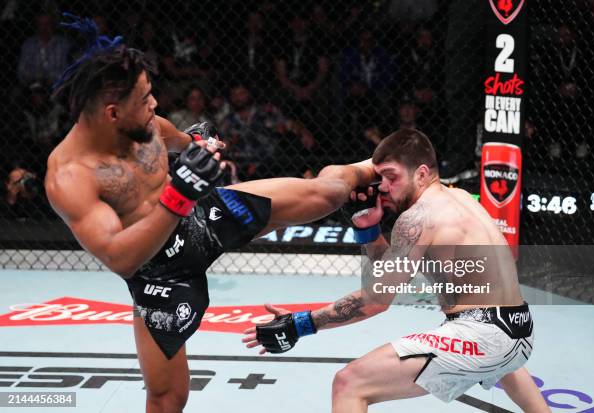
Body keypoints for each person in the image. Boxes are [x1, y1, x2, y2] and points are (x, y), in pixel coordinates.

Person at [45, 16, 376, 413]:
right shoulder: (70, 176)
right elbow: (120, 257)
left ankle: (385, 167)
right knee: (168, 399)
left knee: (327, 194)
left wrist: (200, 144)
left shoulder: (147, 124)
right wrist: (180, 193)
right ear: (112, 113)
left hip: (199, 217)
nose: (154, 105)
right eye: (145, 100)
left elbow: (184, 141)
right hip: (159, 273)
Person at [244, 129, 551, 413]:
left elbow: (375, 301)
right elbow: (388, 276)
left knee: (349, 383)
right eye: (380, 178)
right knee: (501, 361)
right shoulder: (458, 197)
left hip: (484, 334)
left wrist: (301, 324)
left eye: (391, 177)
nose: (385, 188)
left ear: (420, 173)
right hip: (519, 329)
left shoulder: (418, 218)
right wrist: (368, 230)